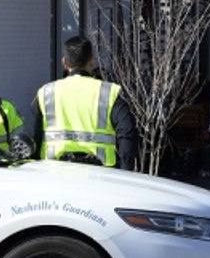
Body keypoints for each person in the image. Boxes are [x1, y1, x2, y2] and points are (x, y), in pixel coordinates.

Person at [31, 35, 137, 170]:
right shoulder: (109, 92)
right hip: (101, 175)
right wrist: (126, 171)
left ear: (64, 62)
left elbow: (34, 139)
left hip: (54, 174)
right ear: (91, 61)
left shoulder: (46, 93)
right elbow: (127, 134)